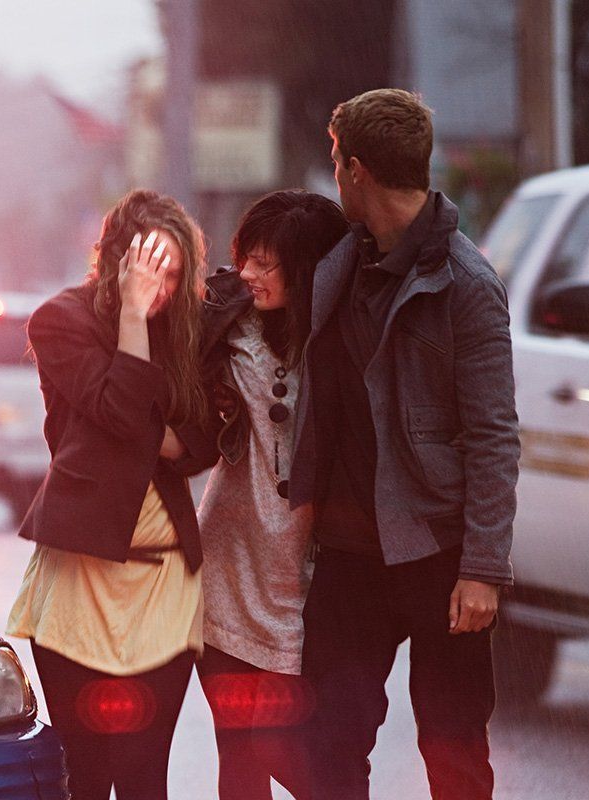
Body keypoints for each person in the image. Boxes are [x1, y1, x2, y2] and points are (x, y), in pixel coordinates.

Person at [290, 89, 519, 799]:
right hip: (351, 557)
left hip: (439, 553)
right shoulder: (340, 263)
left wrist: (483, 567)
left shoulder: (467, 285)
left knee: (452, 750)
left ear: (357, 171)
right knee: (325, 743)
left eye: (335, 162)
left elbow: (493, 434)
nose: (333, 177)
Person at [7, 189, 217, 800]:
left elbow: (205, 441)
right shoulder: (59, 320)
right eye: (150, 274)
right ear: (117, 264)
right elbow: (124, 413)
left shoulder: (188, 326)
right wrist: (130, 318)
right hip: (79, 575)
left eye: (174, 276)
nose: (162, 292)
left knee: (145, 772)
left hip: (165, 582)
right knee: (89, 773)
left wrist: (121, 430)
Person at [193, 190, 349, 800]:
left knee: (291, 747)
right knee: (240, 750)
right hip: (226, 572)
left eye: (266, 263)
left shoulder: (339, 347)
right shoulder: (224, 329)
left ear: (308, 271)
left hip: (305, 583)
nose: (249, 275)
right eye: (245, 259)